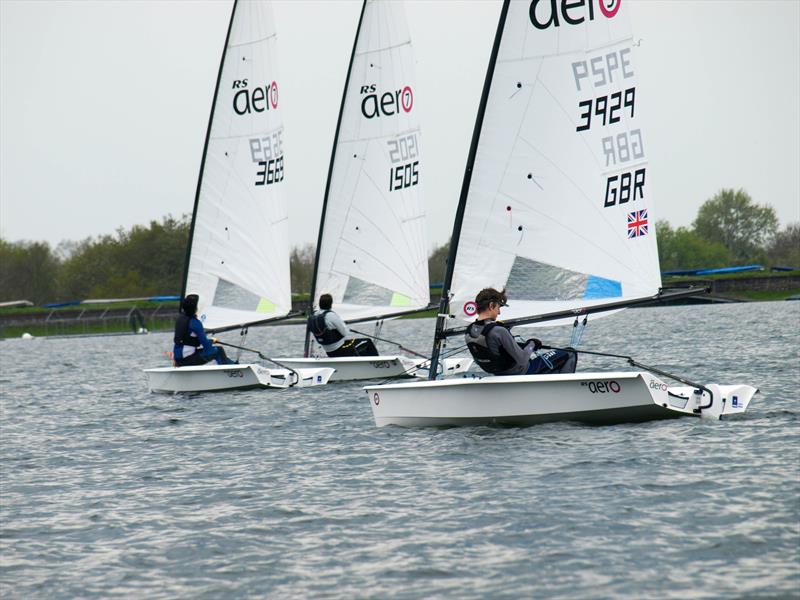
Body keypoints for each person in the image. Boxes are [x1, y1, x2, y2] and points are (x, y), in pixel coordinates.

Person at [465, 287, 577, 376]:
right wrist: (532, 344)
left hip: (499, 373)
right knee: (570, 353)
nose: (499, 312)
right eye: (498, 307)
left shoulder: (468, 331)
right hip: (523, 371)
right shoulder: (498, 331)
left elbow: (495, 350)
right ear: (491, 306)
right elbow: (523, 360)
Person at [307, 293, 378, 357]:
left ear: (319, 304)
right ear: (331, 304)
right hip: (339, 349)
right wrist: (346, 328)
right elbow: (344, 333)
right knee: (367, 342)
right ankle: (378, 364)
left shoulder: (314, 315)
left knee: (357, 347)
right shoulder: (330, 315)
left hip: (328, 351)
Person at [173, 294, 235, 367]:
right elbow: (207, 346)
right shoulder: (195, 323)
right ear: (196, 308)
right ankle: (231, 371)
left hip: (178, 359)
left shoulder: (180, 319)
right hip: (187, 359)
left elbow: (187, 339)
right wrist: (212, 340)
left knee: (216, 351)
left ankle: (233, 365)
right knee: (218, 350)